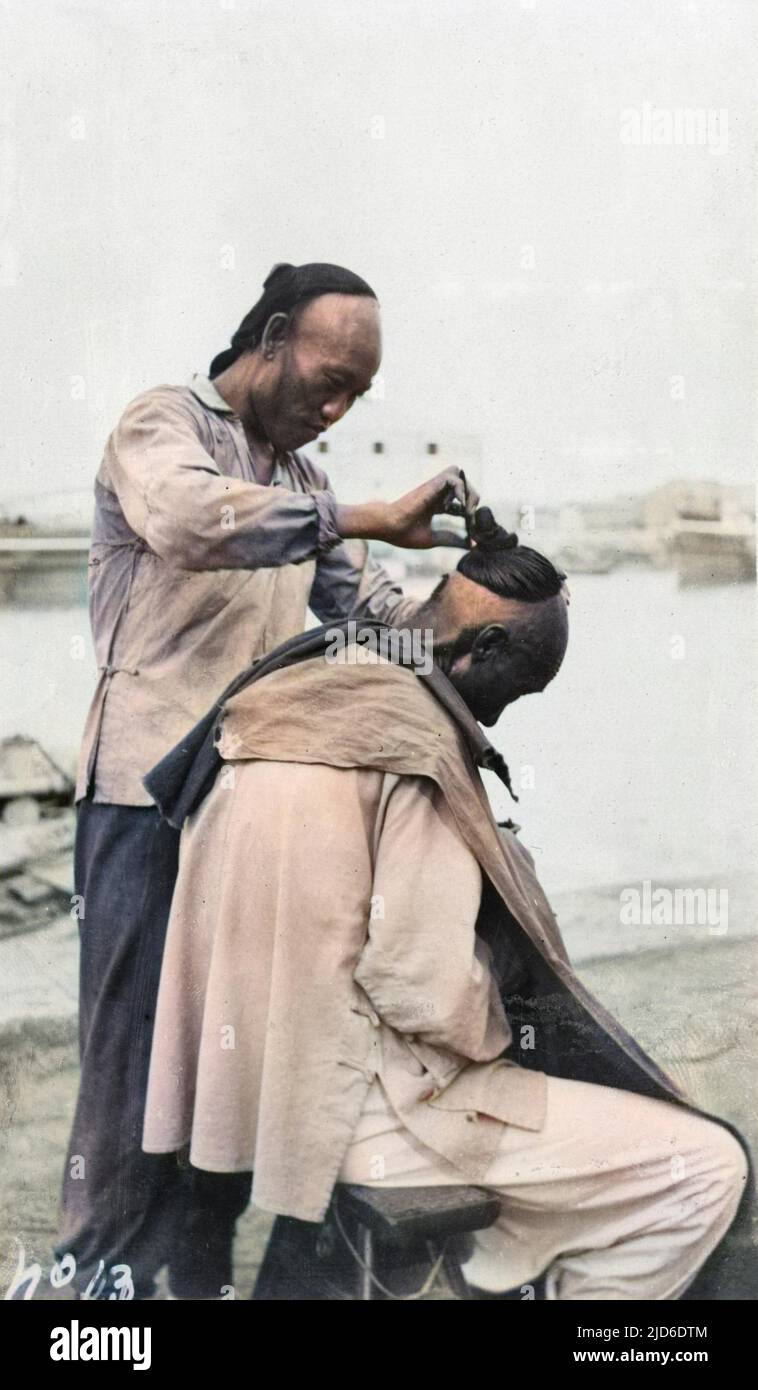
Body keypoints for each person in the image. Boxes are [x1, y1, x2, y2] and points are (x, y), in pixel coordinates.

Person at [141, 518, 752, 1300]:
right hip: (366, 1114)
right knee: (705, 1167)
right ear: (485, 647)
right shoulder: (414, 746)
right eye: (517, 688)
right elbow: (422, 986)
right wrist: (506, 1021)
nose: (496, 719)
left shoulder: (288, 691)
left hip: (251, 1098)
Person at [56, 260, 478, 1300]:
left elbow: (378, 623)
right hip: (137, 801)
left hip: (239, 813)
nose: (332, 410)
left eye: (355, 398)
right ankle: (94, 1290)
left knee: (213, 1067)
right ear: (274, 334)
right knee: (128, 1063)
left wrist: (483, 602)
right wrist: (361, 517)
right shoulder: (161, 425)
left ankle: (186, 1284)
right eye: (326, 380)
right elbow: (189, 521)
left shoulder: (304, 486)